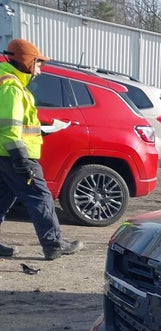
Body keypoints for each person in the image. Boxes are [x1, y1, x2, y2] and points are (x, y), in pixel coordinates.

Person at [0, 38, 82, 260]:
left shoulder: (8, 82)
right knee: (41, 197)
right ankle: (53, 244)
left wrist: (43, 129)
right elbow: (9, 128)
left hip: (5, 154)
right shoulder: (11, 87)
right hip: (13, 154)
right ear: (26, 61)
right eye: (38, 64)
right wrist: (22, 160)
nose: (39, 70)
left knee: (2, 198)